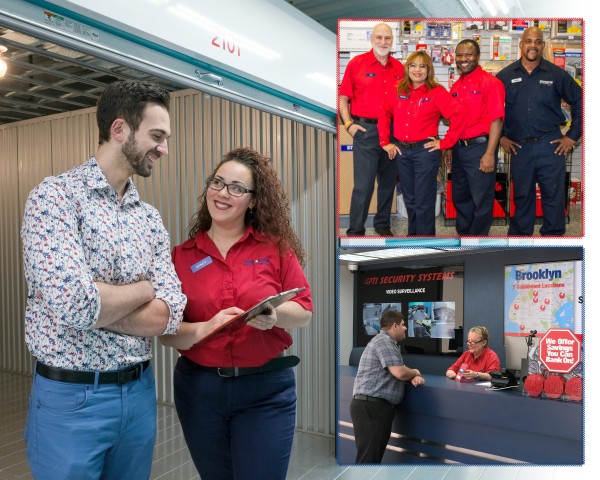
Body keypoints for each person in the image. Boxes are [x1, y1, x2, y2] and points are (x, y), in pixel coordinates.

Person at [20, 80, 187, 480]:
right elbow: (75, 304)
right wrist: (146, 289)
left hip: (140, 395)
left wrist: (98, 303)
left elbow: (171, 311)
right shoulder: (54, 199)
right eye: (157, 136)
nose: (164, 149)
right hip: (71, 401)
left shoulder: (149, 219)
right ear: (119, 130)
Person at [160, 147, 313, 480]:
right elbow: (166, 332)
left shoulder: (276, 248)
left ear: (254, 200)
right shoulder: (180, 257)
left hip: (266, 390)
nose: (223, 193)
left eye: (236, 188)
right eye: (218, 182)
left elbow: (304, 311)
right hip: (199, 391)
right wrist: (204, 328)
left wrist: (275, 316)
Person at [496, 26, 582, 236]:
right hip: (520, 148)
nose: (532, 45)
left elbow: (581, 99)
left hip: (550, 145)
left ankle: (553, 239)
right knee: (522, 196)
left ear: (542, 45)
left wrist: (572, 136)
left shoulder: (556, 74)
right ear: (521, 45)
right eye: (528, 41)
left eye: (537, 41)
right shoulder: (505, 76)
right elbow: (491, 109)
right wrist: (501, 137)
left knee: (553, 196)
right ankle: (520, 239)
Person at [379, 50, 466, 236]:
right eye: (413, 65)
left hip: (425, 152)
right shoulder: (397, 89)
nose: (417, 70)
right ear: (407, 68)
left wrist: (445, 143)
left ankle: (425, 245)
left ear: (429, 70)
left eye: (422, 66)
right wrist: (385, 142)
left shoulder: (437, 92)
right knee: (410, 199)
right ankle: (413, 240)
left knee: (424, 202)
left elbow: (458, 116)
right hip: (402, 151)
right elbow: (384, 114)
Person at [339, 22, 404, 236]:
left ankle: (382, 224)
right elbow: (343, 98)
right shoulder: (357, 64)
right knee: (363, 186)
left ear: (392, 41)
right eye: (379, 38)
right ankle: (355, 230)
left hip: (392, 132)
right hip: (366, 132)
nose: (383, 42)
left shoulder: (400, 68)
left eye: (387, 38)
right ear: (372, 39)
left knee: (387, 184)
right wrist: (349, 125)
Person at [444, 39, 505, 236]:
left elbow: (497, 120)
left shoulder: (491, 83)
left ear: (478, 56)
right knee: (461, 196)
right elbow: (454, 121)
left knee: (482, 199)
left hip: (480, 149)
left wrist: (489, 154)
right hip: (460, 150)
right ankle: (464, 234)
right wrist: (448, 146)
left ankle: (478, 240)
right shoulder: (457, 86)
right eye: (460, 55)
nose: (463, 59)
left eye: (468, 55)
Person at [350, 310, 425, 463]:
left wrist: (411, 376)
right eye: (403, 325)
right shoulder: (383, 342)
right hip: (372, 408)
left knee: (370, 458)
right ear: (395, 326)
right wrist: (415, 372)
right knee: (368, 460)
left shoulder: (387, 343)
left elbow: (399, 370)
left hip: (371, 406)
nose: (405, 328)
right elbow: (399, 371)